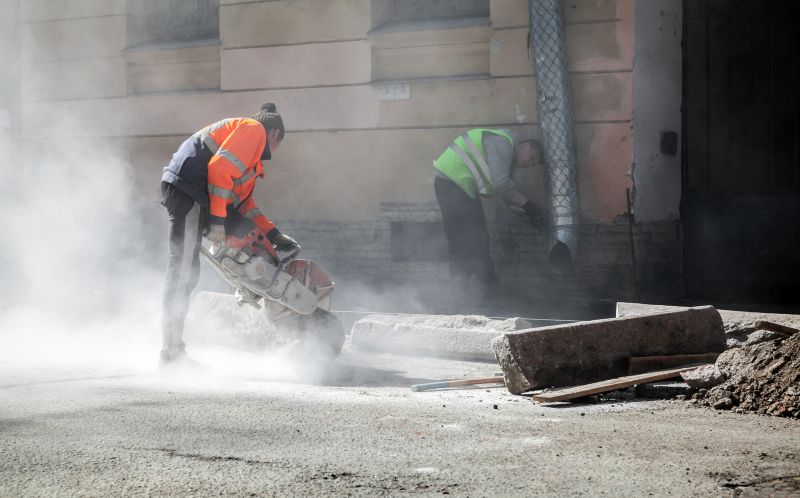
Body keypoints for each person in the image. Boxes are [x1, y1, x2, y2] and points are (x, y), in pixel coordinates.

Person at [159, 102, 299, 367]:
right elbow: (219, 170)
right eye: (280, 141)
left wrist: (274, 234)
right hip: (189, 190)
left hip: (194, 192)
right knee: (183, 271)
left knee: (189, 273)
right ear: (275, 133)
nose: (277, 149)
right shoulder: (253, 130)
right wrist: (218, 223)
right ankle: (171, 354)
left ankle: (173, 350)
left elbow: (244, 204)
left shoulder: (247, 151)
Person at [433, 128, 545, 286]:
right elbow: (501, 185)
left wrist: (529, 216)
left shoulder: (505, 156)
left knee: (472, 237)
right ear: (524, 146)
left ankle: (472, 286)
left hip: (457, 185)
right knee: (468, 237)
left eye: (533, 164)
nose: (530, 164)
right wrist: (531, 208)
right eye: (532, 158)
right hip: (453, 182)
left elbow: (506, 196)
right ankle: (476, 286)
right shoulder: (503, 144)